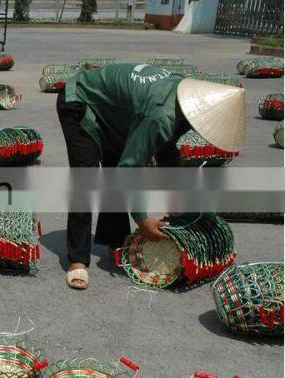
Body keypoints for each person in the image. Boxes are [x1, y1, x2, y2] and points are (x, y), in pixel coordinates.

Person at [58, 63, 246, 290]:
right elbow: (130, 168)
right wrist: (142, 219)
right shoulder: (161, 115)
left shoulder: (184, 99)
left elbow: (167, 150)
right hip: (79, 98)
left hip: (114, 111)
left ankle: (115, 241)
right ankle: (78, 260)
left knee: (115, 166)